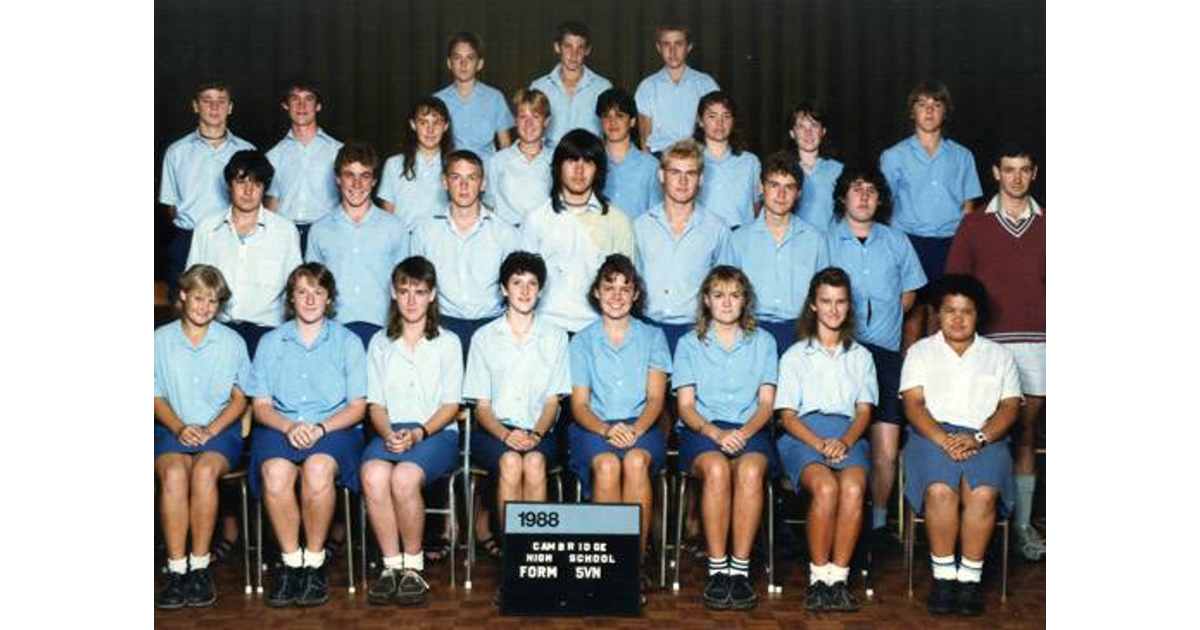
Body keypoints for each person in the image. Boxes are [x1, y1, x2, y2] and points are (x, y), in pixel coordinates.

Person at [945, 142, 1045, 561]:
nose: (1016, 177)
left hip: (1040, 345)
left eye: (1024, 169)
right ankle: (973, 530)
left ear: (1034, 174)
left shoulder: (1053, 226)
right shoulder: (974, 226)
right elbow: (954, 285)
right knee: (982, 430)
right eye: (1009, 169)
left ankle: (1020, 528)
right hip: (987, 345)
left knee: (1022, 433)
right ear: (995, 172)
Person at [247, 263, 367, 608]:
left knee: (317, 468)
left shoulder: (348, 341)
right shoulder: (271, 342)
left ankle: (314, 563)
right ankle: (291, 564)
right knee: (275, 472)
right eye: (302, 292)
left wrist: (321, 428)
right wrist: (289, 427)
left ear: (329, 298)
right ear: (291, 299)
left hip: (334, 428)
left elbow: (357, 407)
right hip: (281, 426)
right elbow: (261, 406)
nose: (310, 299)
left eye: (317, 291)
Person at [900, 274, 1021, 616]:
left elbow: (1010, 406)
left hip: (985, 436)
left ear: (977, 314)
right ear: (938, 314)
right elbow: (913, 405)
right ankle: (943, 578)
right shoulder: (921, 352)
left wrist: (979, 438)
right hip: (931, 435)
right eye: (950, 310)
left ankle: (969, 579)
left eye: (966, 311)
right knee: (940, 491)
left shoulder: (998, 355)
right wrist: (944, 440)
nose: (957, 318)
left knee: (982, 493)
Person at [824, 166, 926, 553]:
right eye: (856, 189)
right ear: (842, 198)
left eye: (870, 189)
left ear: (880, 199)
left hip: (883, 354)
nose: (863, 196)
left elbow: (910, 293)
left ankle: (880, 523)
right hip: (839, 353)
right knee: (835, 435)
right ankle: (830, 516)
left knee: (886, 444)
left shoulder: (896, 241)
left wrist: (885, 321)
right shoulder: (827, 240)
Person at [361, 257, 464, 606]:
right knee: (374, 474)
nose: (411, 300)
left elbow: (451, 406)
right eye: (404, 291)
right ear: (393, 293)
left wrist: (419, 432)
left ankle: (413, 567)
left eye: (419, 292)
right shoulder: (379, 342)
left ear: (432, 295)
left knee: (403, 478)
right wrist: (388, 432)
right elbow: (375, 405)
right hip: (391, 429)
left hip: (436, 433)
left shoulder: (448, 343)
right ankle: (391, 567)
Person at [673, 265, 777, 610]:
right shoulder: (689, 344)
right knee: (717, 470)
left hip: (751, 429)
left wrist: (743, 433)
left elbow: (766, 404)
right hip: (703, 429)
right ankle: (718, 570)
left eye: (734, 294)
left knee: (748, 472)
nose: (727, 302)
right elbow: (686, 407)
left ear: (745, 299)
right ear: (706, 300)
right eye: (718, 295)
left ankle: (740, 571)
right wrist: (715, 433)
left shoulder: (764, 342)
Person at [775, 267, 875, 612]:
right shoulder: (794, 355)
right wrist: (819, 444)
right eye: (826, 301)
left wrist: (845, 441)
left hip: (848, 434)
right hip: (804, 435)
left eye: (841, 302)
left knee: (852, 488)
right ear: (813, 305)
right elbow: (786, 416)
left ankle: (838, 579)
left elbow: (863, 412)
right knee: (827, 488)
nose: (833, 309)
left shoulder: (861, 356)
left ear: (849, 306)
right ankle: (818, 578)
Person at [567, 254, 669, 594]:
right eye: (609, 287)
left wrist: (636, 430)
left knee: (637, 461)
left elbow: (656, 399)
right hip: (594, 427)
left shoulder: (653, 337)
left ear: (636, 294)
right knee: (608, 465)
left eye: (626, 288)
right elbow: (579, 405)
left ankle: (632, 566)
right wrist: (607, 430)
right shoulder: (581, 341)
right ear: (596, 292)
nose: (617, 295)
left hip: (643, 426)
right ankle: (606, 564)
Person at [154, 265, 252, 609]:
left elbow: (241, 397)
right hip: (172, 427)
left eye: (212, 300)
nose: (204, 306)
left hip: (218, 431)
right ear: (183, 296)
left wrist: (211, 429)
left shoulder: (232, 341)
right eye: (198, 298)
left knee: (205, 472)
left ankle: (200, 566)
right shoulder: (158, 340)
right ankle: (177, 569)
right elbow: (153, 395)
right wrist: (180, 427)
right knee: (176, 474)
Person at [462, 252, 570, 557]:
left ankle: (534, 555)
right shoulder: (484, 338)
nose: (524, 291)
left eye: (532, 283)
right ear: (503, 289)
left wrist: (535, 435)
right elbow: (481, 407)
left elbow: (552, 402)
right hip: (494, 433)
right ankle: (514, 559)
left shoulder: (556, 337)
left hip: (540, 431)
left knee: (534, 462)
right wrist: (507, 436)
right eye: (517, 282)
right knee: (510, 461)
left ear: (540, 290)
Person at [879, 80, 982, 347]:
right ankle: (906, 384)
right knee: (910, 317)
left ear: (945, 112)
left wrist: (961, 247)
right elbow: (885, 208)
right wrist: (896, 247)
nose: (929, 111)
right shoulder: (893, 156)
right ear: (911, 112)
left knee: (943, 316)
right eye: (921, 104)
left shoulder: (962, 156)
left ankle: (938, 384)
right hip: (908, 243)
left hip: (949, 244)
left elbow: (968, 209)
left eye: (936, 105)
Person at [185, 150, 302, 357]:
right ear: (229, 185)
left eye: (256, 184)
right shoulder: (206, 229)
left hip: (267, 335)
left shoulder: (285, 231)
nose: (248, 191)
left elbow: (296, 292)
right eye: (241, 182)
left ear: (264, 188)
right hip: (216, 330)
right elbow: (191, 286)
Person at [520, 128, 635, 333]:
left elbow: (625, 286)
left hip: (596, 329)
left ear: (598, 170)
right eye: (572, 160)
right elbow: (523, 283)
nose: (579, 170)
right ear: (558, 166)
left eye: (588, 162)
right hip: (546, 328)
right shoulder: (536, 218)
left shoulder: (617, 221)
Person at [633, 139, 734, 356]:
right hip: (647, 331)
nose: (683, 181)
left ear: (701, 179)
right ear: (662, 176)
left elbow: (726, 288)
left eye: (691, 173)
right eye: (675, 172)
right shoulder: (640, 226)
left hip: (696, 334)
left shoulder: (717, 229)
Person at [306, 141, 411, 349]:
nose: (357, 184)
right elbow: (312, 288)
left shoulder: (395, 228)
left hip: (383, 334)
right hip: (333, 333)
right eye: (349, 175)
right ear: (337, 178)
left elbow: (406, 288)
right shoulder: (320, 230)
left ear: (374, 181)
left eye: (364, 176)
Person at [159, 81, 256, 296]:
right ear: (195, 106)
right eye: (207, 101)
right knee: (184, 306)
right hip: (188, 239)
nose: (214, 107)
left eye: (221, 101)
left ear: (230, 107)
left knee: (230, 303)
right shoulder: (177, 152)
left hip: (233, 238)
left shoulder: (247, 150)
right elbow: (170, 205)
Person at [730, 151, 828, 353]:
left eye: (789, 187)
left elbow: (824, 295)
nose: (781, 195)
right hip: (750, 332)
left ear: (799, 193)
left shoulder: (815, 239)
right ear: (761, 187)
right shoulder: (738, 239)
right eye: (774, 185)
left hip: (800, 333)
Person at [264, 79, 343, 254]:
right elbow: (272, 204)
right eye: (294, 99)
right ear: (285, 105)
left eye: (308, 99)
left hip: (327, 234)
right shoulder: (273, 155)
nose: (302, 105)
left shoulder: (338, 151)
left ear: (318, 106)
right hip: (285, 235)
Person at [635, 23, 720, 154]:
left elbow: (714, 128)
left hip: (697, 156)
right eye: (666, 44)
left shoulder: (705, 83)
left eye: (678, 44)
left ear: (689, 47)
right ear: (658, 48)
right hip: (660, 157)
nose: (672, 51)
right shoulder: (647, 86)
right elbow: (644, 136)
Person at [529, 20, 612, 147]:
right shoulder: (538, 87)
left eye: (580, 47)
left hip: (589, 161)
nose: (574, 54)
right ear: (557, 47)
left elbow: (610, 134)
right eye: (568, 46)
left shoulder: (603, 87)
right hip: (549, 162)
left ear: (588, 50)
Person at [434, 31, 513, 158]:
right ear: (449, 63)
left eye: (470, 58)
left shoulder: (495, 98)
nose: (463, 64)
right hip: (451, 174)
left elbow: (505, 145)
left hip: (486, 174)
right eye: (457, 58)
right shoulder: (437, 100)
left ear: (480, 64)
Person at [377, 97, 454, 228]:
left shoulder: (454, 165)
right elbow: (387, 215)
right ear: (413, 124)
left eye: (436, 123)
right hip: (404, 243)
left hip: (441, 244)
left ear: (446, 126)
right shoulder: (394, 164)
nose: (430, 130)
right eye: (424, 123)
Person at [484, 88, 553, 227]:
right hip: (506, 237)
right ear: (515, 121)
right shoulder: (496, 161)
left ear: (546, 121)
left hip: (544, 236)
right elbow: (488, 206)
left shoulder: (556, 159)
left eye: (536, 116)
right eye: (522, 117)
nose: (529, 123)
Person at [693, 91, 761, 229]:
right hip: (702, 238)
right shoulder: (690, 160)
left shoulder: (750, 162)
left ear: (733, 121)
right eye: (712, 116)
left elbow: (757, 207)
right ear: (700, 121)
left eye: (726, 116)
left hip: (741, 239)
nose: (720, 122)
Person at [596, 87, 661, 221]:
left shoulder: (650, 166)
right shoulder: (591, 162)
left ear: (632, 121)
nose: (612, 122)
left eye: (620, 115)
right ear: (600, 122)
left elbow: (657, 216)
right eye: (606, 116)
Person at [788, 101, 844, 233]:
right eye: (801, 126)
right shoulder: (783, 170)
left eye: (814, 125)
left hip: (828, 247)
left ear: (823, 131)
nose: (808, 132)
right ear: (792, 133)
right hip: (792, 247)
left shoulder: (839, 170)